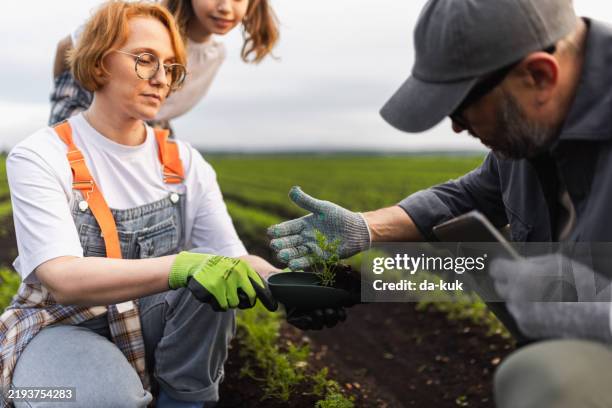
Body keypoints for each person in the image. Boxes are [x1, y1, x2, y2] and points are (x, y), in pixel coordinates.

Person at [267, 0, 612, 406]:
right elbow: (469, 197)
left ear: (539, 75)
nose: (456, 126)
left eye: (462, 109)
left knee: (548, 378)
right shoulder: (531, 134)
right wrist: (365, 228)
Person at [0, 2, 277, 407]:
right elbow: (62, 279)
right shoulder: (40, 155)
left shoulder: (185, 162)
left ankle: (183, 399)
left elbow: (231, 256)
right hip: (64, 324)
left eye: (171, 67)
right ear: (98, 62)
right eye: (146, 61)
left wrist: (287, 284)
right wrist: (183, 266)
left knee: (214, 282)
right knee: (81, 399)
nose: (162, 79)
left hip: (151, 319)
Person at [49, 0, 279, 128]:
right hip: (87, 101)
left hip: (148, 121)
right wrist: (64, 94)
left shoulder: (214, 56)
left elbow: (161, 113)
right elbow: (65, 48)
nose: (226, 7)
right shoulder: (138, 18)